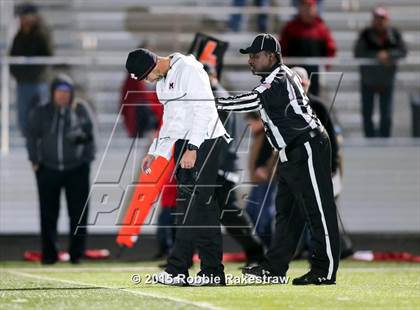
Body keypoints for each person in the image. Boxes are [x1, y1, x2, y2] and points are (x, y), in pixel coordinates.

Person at [217, 33, 340, 285]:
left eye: (255, 55)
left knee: (319, 210)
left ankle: (324, 271)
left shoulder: (279, 77)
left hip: (307, 146)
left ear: (272, 56)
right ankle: (274, 268)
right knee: (286, 214)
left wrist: (213, 103)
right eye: (249, 56)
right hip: (291, 152)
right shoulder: (276, 77)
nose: (250, 60)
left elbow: (253, 99)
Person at [125, 48, 229, 286]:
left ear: (152, 67)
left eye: (145, 77)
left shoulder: (190, 70)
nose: (148, 82)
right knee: (202, 210)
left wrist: (193, 147)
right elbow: (171, 122)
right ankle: (212, 272)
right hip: (186, 143)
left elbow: (205, 109)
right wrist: (155, 151)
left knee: (190, 209)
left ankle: (177, 270)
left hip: (205, 141)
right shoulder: (163, 81)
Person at [26, 74, 96, 265]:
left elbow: (90, 136)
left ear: (71, 93)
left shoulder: (80, 110)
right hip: (48, 169)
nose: (63, 96)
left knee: (79, 213)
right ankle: (49, 255)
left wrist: (86, 160)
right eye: (59, 91)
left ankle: (77, 254)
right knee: (48, 214)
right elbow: (31, 136)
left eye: (66, 92)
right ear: (52, 93)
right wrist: (35, 160)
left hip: (77, 169)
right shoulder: (41, 112)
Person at [291, 66, 354, 259]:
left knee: (323, 211)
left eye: (301, 84)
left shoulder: (318, 106)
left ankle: (336, 248)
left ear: (308, 84)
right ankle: (306, 248)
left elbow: (333, 139)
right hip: (300, 167)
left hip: (320, 167)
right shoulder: (286, 106)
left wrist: (332, 166)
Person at [354, 7, 407, 137]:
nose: (379, 21)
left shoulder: (394, 34)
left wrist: (388, 55)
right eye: (377, 18)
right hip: (368, 80)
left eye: (382, 18)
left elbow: (403, 51)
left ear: (387, 20)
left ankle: (385, 140)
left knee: (386, 115)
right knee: (367, 113)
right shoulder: (365, 34)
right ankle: (369, 140)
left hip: (386, 80)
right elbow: (358, 52)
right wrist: (377, 56)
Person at [10, 2, 53, 136]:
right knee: (23, 117)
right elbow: (13, 56)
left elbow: (47, 56)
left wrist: (34, 74)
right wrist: (19, 75)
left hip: (38, 83)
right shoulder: (19, 35)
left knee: (40, 114)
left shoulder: (41, 34)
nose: (22, 20)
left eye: (24, 17)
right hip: (23, 83)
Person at [279, 0, 336, 95]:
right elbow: (282, 48)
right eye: (304, 7)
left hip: (314, 74)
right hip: (294, 72)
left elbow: (330, 48)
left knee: (313, 101)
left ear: (315, 9)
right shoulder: (290, 27)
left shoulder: (321, 28)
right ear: (300, 8)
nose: (307, 10)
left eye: (310, 7)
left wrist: (327, 65)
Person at [244, 112, 277, 248]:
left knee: (263, 216)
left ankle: (267, 247)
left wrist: (267, 169)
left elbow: (274, 154)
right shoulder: (258, 135)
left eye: (251, 123)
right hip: (257, 182)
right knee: (251, 212)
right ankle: (261, 246)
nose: (250, 127)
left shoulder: (269, 134)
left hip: (265, 181)